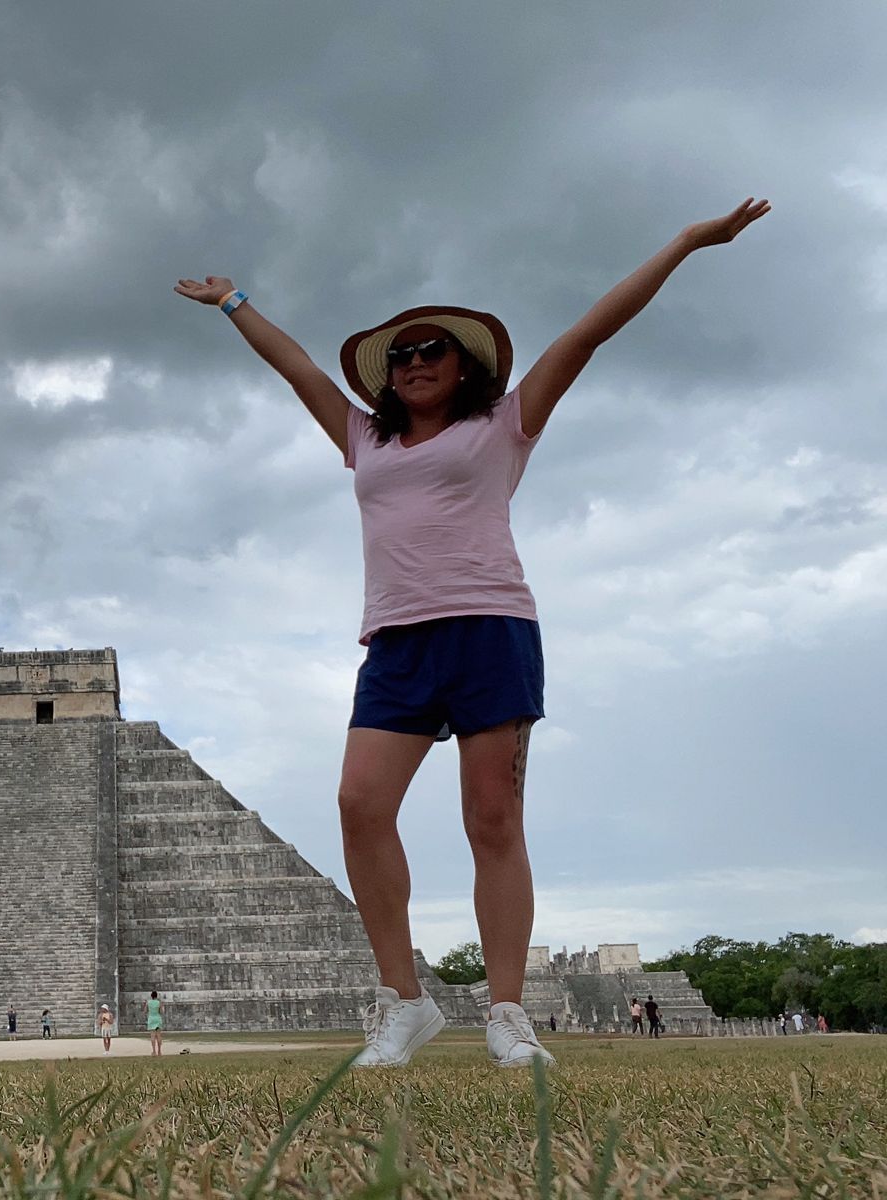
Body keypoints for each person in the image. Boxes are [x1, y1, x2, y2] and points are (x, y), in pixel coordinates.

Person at [176, 197, 769, 1070]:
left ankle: (504, 1013)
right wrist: (235, 304)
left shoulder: (503, 426)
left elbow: (589, 332)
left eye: (433, 350)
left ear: (465, 367)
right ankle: (404, 1002)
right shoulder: (362, 437)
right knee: (359, 804)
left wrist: (684, 243)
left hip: (492, 628)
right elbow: (297, 369)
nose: (416, 362)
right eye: (403, 355)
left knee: (493, 820)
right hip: (397, 642)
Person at [146, 990, 164, 1057]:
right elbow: (161, 1012)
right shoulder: (158, 1002)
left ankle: (154, 1051)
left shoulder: (148, 1002)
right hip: (157, 1019)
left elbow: (145, 1010)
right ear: (156, 996)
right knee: (159, 1036)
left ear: (151, 996)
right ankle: (159, 1051)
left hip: (151, 1019)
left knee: (152, 1036)